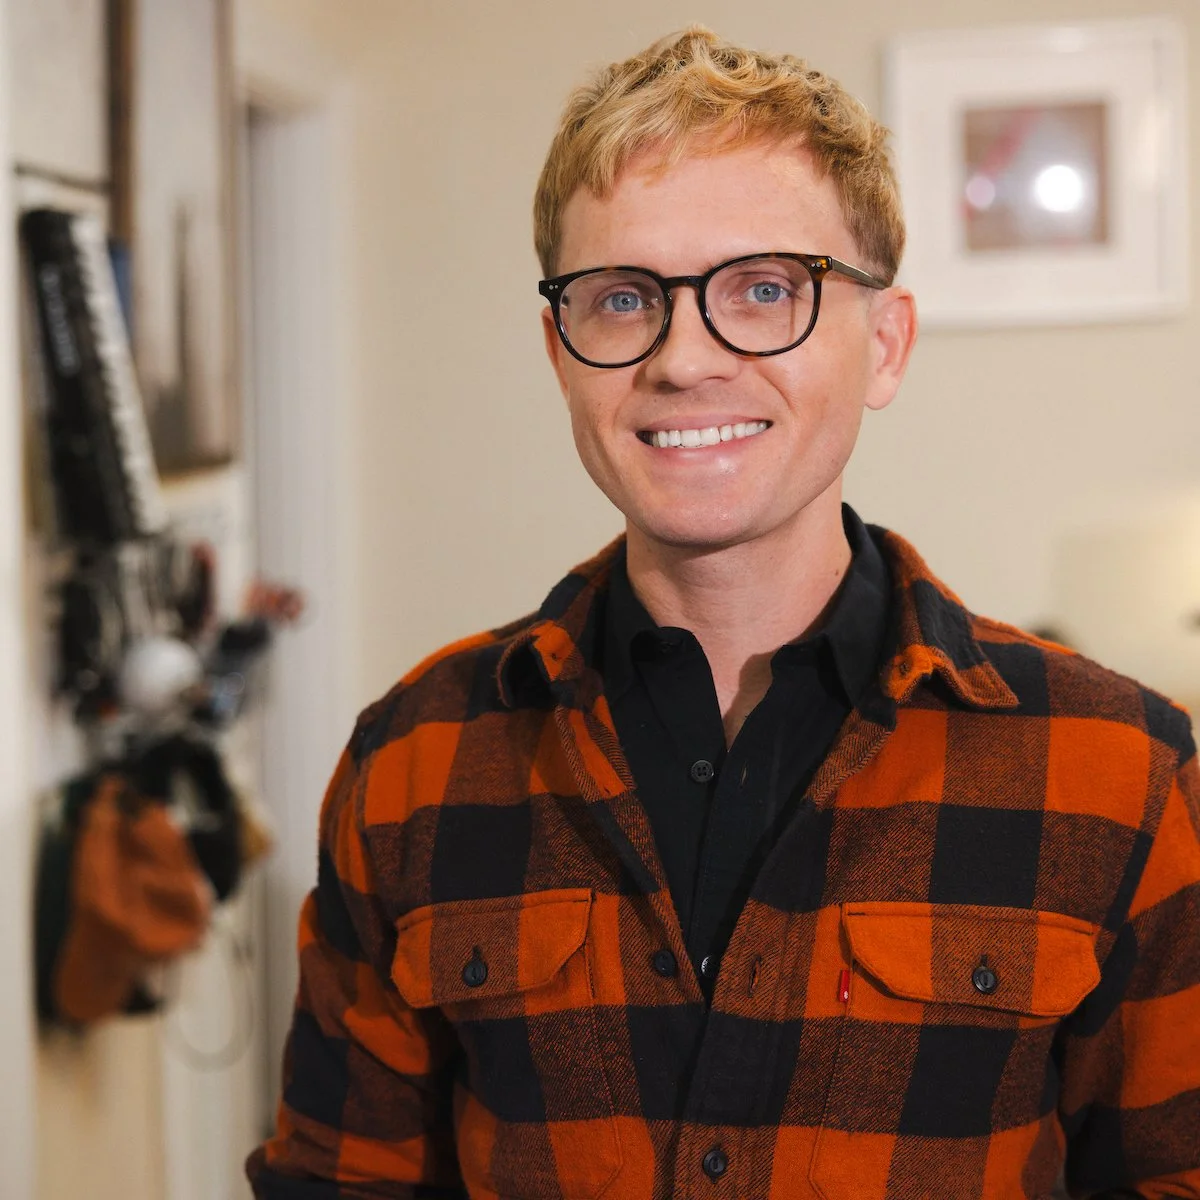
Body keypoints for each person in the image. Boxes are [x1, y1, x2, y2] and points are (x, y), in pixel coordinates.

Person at [247, 27, 1200, 1199]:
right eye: (622, 298)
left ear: (885, 345)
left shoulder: (1120, 771)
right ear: (560, 353)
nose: (685, 360)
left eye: (763, 290)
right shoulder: (416, 760)